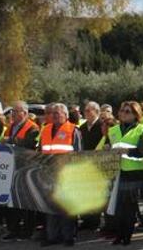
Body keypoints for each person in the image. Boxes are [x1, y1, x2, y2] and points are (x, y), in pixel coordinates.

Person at [100, 101, 143, 246]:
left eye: (127, 111)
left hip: (135, 171)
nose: (123, 114)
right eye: (122, 111)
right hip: (118, 172)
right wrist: (107, 148)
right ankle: (119, 235)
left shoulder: (142, 130)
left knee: (129, 207)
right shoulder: (113, 130)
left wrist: (129, 152)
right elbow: (109, 147)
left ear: (136, 115)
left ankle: (127, 236)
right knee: (118, 206)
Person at [40, 102, 82, 246]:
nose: (55, 116)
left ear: (65, 115)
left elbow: (78, 155)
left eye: (58, 113)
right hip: (49, 174)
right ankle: (52, 237)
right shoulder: (45, 130)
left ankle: (68, 237)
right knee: (51, 208)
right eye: (53, 113)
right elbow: (41, 152)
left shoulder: (73, 130)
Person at [3, 101, 41, 241]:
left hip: (26, 168)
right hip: (11, 167)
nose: (12, 114)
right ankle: (13, 229)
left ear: (24, 113)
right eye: (12, 111)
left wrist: (11, 140)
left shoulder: (33, 127)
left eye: (16, 111)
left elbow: (30, 144)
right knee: (11, 201)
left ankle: (27, 230)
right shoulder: (11, 126)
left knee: (26, 201)